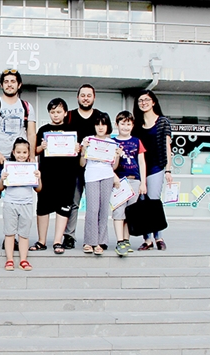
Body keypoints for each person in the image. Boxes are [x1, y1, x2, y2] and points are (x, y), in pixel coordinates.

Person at [0, 70, 36, 252]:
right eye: (6, 81)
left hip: (17, 161)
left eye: (13, 81)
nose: (9, 84)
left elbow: (31, 133)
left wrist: (31, 157)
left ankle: (11, 238)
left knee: (17, 201)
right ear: (1, 85)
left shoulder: (27, 106)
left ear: (19, 85)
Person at [31, 98, 78, 254]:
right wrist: (41, 147)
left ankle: (58, 241)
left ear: (65, 113)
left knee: (63, 208)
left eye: (58, 112)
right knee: (43, 207)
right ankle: (41, 241)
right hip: (47, 174)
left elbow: (80, 151)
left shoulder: (72, 130)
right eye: (52, 112)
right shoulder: (43, 130)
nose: (56, 115)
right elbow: (35, 151)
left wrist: (78, 148)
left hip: (67, 175)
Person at [132, 90, 172, 251]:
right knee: (142, 202)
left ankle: (159, 237)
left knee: (154, 201)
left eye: (146, 100)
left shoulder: (163, 122)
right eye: (140, 100)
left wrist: (168, 170)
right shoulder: (136, 124)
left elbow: (167, 146)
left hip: (156, 167)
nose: (143, 103)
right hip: (139, 169)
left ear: (153, 102)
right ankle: (147, 239)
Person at [63, 84, 102, 250]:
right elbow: (62, 139)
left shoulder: (100, 116)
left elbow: (105, 139)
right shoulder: (69, 116)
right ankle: (69, 236)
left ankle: (98, 237)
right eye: (83, 95)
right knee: (73, 202)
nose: (86, 98)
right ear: (78, 97)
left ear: (94, 98)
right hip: (74, 167)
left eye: (89, 95)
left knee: (96, 205)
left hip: (96, 168)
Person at [0, 138, 42, 271]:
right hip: (10, 203)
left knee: (24, 234)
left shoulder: (32, 168)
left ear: (28, 153)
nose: (21, 155)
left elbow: (38, 189)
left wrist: (38, 177)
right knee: (9, 233)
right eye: (18, 152)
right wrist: (2, 178)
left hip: (27, 204)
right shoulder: (8, 168)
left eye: (24, 152)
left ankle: (23, 260)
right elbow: (0, 188)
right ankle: (9, 260)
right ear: (13, 152)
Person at [80, 112, 121, 255]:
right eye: (97, 124)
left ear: (108, 126)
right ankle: (89, 241)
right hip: (91, 175)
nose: (100, 127)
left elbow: (114, 167)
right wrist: (83, 149)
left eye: (103, 124)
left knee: (104, 209)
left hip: (107, 176)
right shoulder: (88, 140)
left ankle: (101, 241)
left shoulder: (113, 142)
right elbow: (82, 163)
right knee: (92, 209)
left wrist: (117, 155)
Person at [112, 111, 147, 256]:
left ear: (132, 125)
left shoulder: (137, 141)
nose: (125, 127)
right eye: (122, 124)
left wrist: (143, 182)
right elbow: (110, 164)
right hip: (119, 181)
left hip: (134, 180)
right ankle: (120, 241)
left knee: (130, 212)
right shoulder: (113, 142)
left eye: (128, 124)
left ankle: (126, 240)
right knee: (118, 211)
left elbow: (141, 162)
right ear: (117, 125)